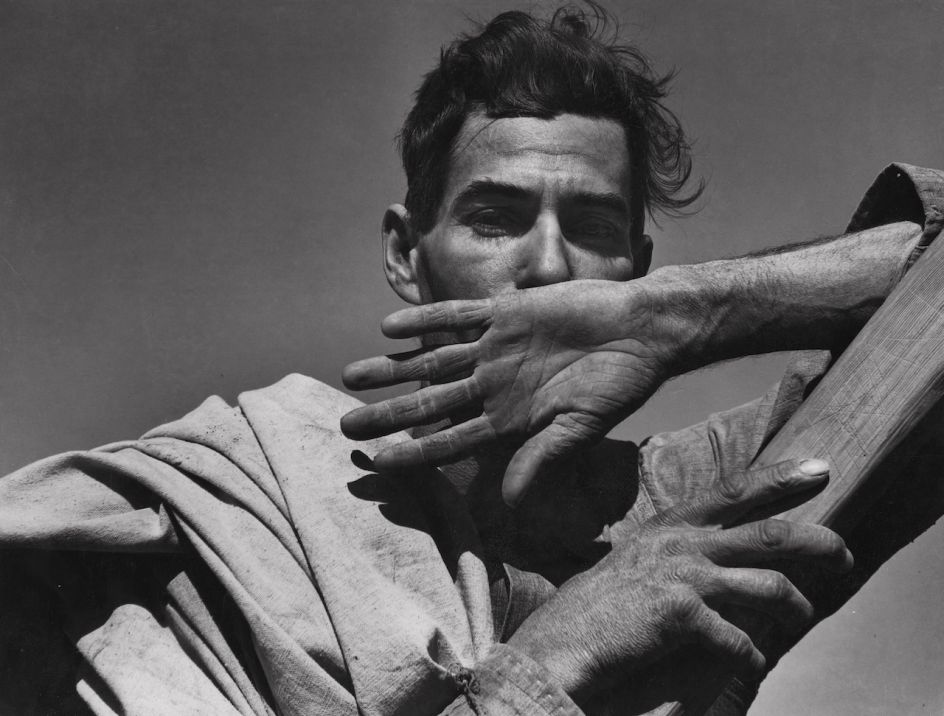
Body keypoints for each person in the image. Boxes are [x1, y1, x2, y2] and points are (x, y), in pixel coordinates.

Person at [1, 5, 941, 716]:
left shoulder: (701, 498)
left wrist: (686, 314)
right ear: (406, 256)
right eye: (495, 219)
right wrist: (558, 657)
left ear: (638, 267)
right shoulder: (237, 498)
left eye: (594, 228)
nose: (547, 268)